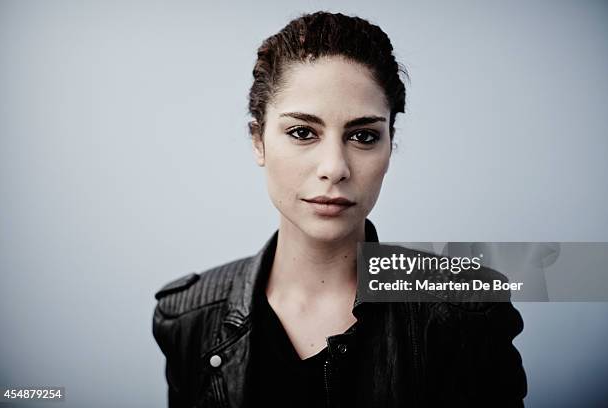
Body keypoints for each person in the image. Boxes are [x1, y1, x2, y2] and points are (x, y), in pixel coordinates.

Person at [152, 11, 527, 408]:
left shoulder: (468, 311)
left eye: (363, 136)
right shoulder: (186, 316)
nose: (334, 167)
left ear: (390, 145)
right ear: (258, 141)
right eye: (302, 132)